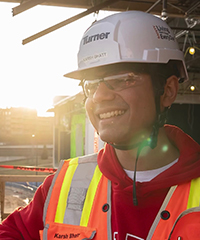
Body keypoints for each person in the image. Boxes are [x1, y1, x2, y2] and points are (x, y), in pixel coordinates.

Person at [0, 11, 200, 240]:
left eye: (124, 79)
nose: (99, 96)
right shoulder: (66, 184)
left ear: (167, 90)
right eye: (91, 85)